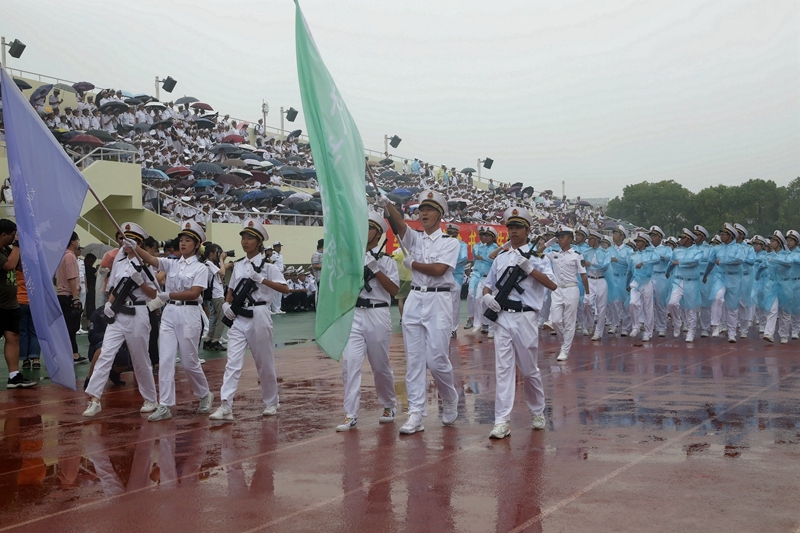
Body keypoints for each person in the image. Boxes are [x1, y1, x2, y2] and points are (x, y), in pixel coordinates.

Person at [380, 190, 460, 435]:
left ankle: (449, 397)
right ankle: (416, 413)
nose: (423, 213)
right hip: (415, 297)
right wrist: (388, 205)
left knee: (437, 360)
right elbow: (400, 225)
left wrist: (412, 264)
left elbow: (439, 269)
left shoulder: (450, 242)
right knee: (414, 361)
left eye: (429, 209)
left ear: (440, 215)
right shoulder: (414, 239)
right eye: (421, 210)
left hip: (439, 300)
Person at [126, 221, 214, 421]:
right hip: (170, 314)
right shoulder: (171, 262)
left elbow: (194, 293)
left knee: (190, 361)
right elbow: (150, 258)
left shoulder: (201, 268)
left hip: (189, 314)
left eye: (187, 241)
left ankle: (204, 393)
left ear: (196, 244)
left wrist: (167, 295)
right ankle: (165, 404)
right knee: (165, 360)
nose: (183, 244)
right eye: (181, 240)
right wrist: (134, 246)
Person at [482, 207, 556, 439]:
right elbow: (489, 283)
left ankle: (537, 410)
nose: (513, 232)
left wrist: (530, 269)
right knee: (503, 370)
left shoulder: (539, 258)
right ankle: (501, 420)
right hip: (503, 316)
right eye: (510, 227)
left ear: (527, 230)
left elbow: (552, 285)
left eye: (518, 228)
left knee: (529, 369)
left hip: (525, 317)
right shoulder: (502, 257)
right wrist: (487, 296)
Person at [209, 219, 289, 421]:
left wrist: (262, 280)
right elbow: (232, 289)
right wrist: (227, 305)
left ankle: (271, 401)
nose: (245, 242)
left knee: (264, 362)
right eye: (243, 238)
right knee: (232, 362)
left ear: (259, 242)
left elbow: (285, 289)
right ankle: (226, 404)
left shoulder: (268, 267)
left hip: (260, 314)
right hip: (239, 316)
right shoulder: (239, 265)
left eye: (250, 238)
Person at [82, 223, 160, 417]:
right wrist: (109, 304)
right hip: (118, 314)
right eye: (124, 239)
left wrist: (141, 281)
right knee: (106, 353)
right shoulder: (119, 261)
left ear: (139, 243)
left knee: (139, 358)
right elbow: (115, 289)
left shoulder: (145, 265)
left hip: (138, 314)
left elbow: (153, 294)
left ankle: (150, 398)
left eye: (131, 240)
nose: (126, 243)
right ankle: (94, 398)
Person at [335, 211, 399, 432]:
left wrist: (375, 269)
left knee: (380, 365)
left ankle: (389, 404)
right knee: (350, 364)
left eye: (369, 228)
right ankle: (350, 413)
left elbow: (394, 290)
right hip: (355, 312)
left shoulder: (387, 261)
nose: (364, 231)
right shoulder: (350, 258)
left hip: (378, 313)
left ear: (378, 233)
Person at [544, 225, 589, 361]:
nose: (559, 240)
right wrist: (547, 243)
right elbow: (536, 255)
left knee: (569, 322)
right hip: (557, 289)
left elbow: (583, 275)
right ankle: (565, 343)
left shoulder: (577, 255)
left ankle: (564, 350)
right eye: (558, 237)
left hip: (571, 289)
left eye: (562, 237)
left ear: (570, 239)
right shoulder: (553, 253)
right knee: (556, 321)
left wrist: (587, 294)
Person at [0, 220, 36, 388]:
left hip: (11, 305)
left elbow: (20, 266)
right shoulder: (5, 252)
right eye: (13, 234)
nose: (15, 237)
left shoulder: (8, 250)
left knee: (13, 337)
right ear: (3, 235)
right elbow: (9, 265)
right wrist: (17, 245)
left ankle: (14, 376)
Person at [702, 223, 744, 342]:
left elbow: (739, 261)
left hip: (734, 278)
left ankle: (732, 333)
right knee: (717, 297)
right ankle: (715, 326)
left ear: (730, 236)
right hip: (720, 277)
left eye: (724, 234)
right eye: (721, 234)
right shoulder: (717, 248)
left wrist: (724, 262)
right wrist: (705, 275)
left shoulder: (739, 248)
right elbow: (711, 263)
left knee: (732, 307)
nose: (721, 236)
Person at [665, 228, 703, 342]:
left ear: (689, 239)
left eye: (683, 237)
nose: (680, 239)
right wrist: (667, 271)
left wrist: (680, 263)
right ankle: (677, 323)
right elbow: (671, 262)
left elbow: (694, 262)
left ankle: (691, 331)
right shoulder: (677, 251)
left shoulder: (698, 251)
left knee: (690, 308)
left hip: (691, 281)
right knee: (672, 303)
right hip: (678, 281)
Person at [56, 232, 87, 364]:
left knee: (68, 327)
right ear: (73, 241)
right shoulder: (70, 256)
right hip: (68, 295)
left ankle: (72, 353)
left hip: (62, 295)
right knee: (71, 327)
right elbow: (72, 277)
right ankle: (72, 354)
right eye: (78, 240)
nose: (78, 243)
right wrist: (75, 297)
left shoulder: (61, 256)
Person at [626, 232, 659, 341]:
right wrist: (627, 283)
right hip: (635, 282)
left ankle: (648, 332)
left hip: (646, 282)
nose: (637, 243)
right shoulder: (632, 255)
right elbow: (629, 271)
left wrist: (644, 263)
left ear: (644, 243)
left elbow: (657, 259)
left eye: (639, 241)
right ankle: (635, 326)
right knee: (633, 303)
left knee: (647, 308)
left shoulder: (651, 252)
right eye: (636, 241)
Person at [582, 229, 610, 341]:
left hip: (601, 280)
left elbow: (605, 266)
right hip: (589, 279)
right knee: (586, 303)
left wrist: (591, 264)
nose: (589, 241)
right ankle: (590, 324)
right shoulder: (586, 252)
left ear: (596, 240)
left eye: (591, 239)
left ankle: (598, 332)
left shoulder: (605, 252)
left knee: (601, 307)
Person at [202, 244, 228, 351]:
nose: (218, 254)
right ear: (211, 253)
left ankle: (208, 340)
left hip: (214, 294)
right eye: (217, 252)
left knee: (214, 318)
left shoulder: (210, 264)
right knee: (222, 318)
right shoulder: (208, 263)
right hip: (216, 295)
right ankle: (216, 340)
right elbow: (222, 272)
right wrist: (222, 260)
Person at [649, 226, 673, 337]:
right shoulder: (647, 248)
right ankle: (650, 325)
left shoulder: (666, 249)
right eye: (651, 236)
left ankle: (661, 327)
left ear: (659, 237)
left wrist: (659, 256)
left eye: (654, 236)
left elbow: (670, 258)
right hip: (649, 276)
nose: (651, 238)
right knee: (648, 302)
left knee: (660, 303)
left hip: (661, 277)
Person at [445, 223, 468, 338]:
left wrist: (450, 265)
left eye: (452, 233)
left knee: (454, 303)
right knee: (442, 302)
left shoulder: (462, 245)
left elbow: (464, 259)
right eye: (448, 233)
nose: (450, 235)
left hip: (456, 276)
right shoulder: (442, 244)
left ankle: (453, 328)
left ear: (456, 234)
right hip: (443, 276)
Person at [269, 242, 285, 314]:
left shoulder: (280, 255)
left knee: (279, 292)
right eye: (278, 246)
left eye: (280, 246)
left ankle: (278, 308)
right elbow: (271, 265)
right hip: (275, 274)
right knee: (275, 293)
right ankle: (274, 308)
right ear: (274, 247)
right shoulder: (273, 255)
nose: (280, 248)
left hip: (281, 274)